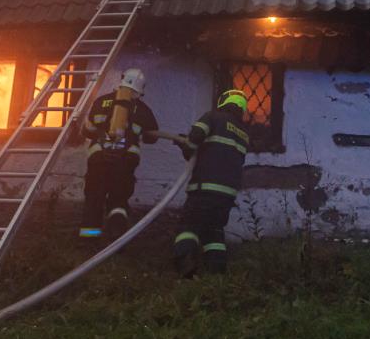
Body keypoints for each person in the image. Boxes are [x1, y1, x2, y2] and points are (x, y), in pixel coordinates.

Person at [171, 88, 250, 276]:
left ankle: (185, 263)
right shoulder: (243, 133)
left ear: (223, 101)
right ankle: (217, 270)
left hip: (204, 188)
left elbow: (195, 137)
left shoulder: (213, 117)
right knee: (214, 230)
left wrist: (185, 145)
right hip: (227, 194)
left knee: (188, 226)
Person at [77, 68, 159, 241]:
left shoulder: (100, 102)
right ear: (140, 88)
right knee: (119, 198)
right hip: (126, 160)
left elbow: (88, 131)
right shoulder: (143, 109)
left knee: (94, 197)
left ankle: (89, 239)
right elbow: (152, 138)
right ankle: (116, 236)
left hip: (98, 158)